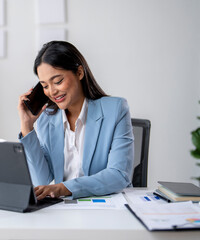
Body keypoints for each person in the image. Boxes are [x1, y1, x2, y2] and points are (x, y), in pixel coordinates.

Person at [18, 41, 134, 200]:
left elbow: (119, 175)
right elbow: (41, 180)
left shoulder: (116, 110)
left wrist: (63, 188)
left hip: (106, 206)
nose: (52, 92)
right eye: (44, 86)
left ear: (79, 72)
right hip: (64, 210)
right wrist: (27, 126)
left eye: (58, 81)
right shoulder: (47, 118)